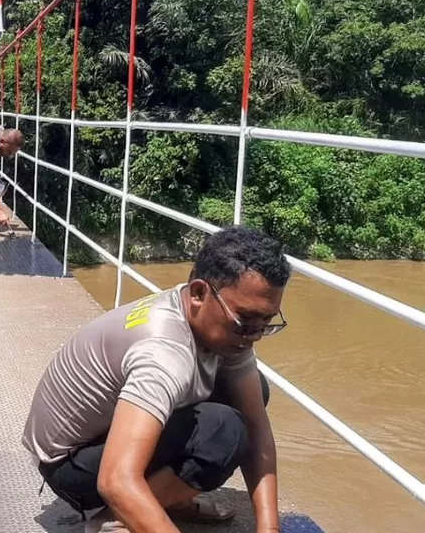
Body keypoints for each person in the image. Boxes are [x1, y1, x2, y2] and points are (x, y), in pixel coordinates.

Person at [23, 226, 288, 533]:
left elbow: (257, 426)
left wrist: (269, 528)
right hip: (70, 467)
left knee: (251, 392)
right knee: (223, 431)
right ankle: (115, 518)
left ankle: (159, 500)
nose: (255, 335)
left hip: (107, 435)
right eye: (246, 321)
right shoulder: (163, 351)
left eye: (266, 322)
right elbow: (114, 480)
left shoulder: (218, 322)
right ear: (199, 293)